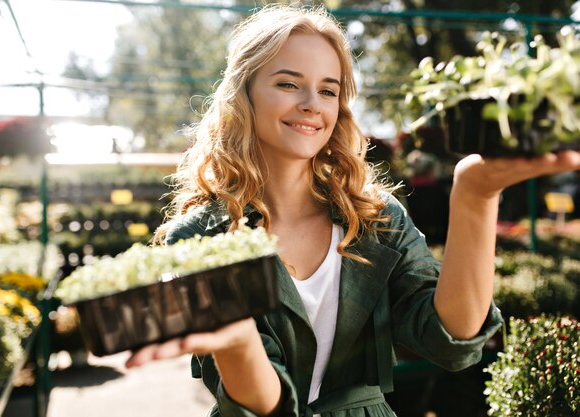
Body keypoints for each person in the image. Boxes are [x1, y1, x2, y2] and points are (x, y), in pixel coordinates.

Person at [125, 5, 580, 417]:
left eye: (328, 90)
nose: (311, 104)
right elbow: (261, 406)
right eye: (288, 83)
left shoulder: (375, 218)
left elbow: (452, 339)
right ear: (243, 94)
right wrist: (239, 339)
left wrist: (474, 195)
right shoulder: (200, 238)